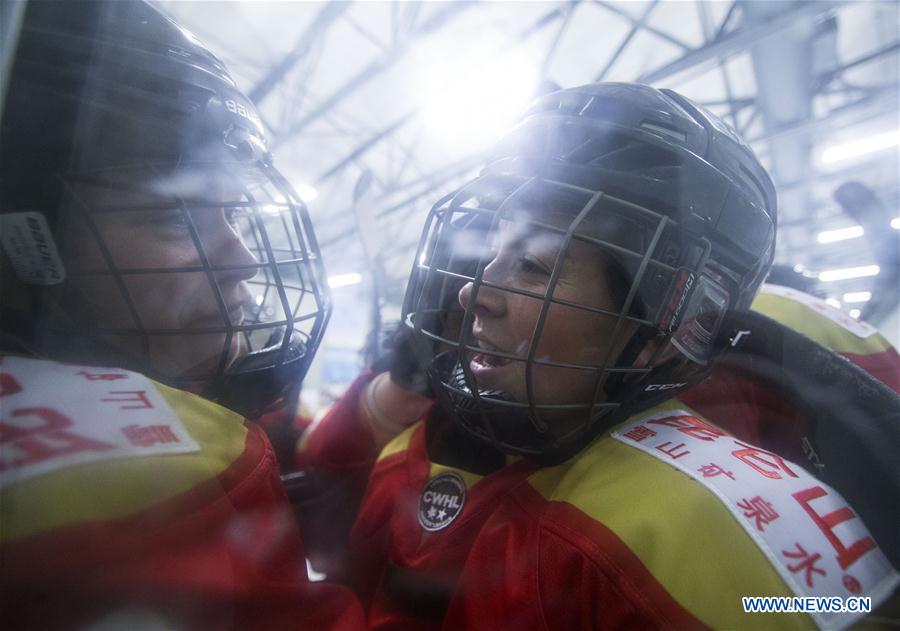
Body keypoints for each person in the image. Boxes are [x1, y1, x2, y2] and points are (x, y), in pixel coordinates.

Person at [303, 83, 899, 628]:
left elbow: (816, 606)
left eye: (534, 265)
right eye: (490, 255)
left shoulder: (695, 523)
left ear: (671, 323)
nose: (472, 293)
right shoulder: (415, 449)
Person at [0, 1, 363, 628]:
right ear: (25, 244)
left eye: (235, 215)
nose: (243, 258)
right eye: (175, 217)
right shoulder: (178, 471)